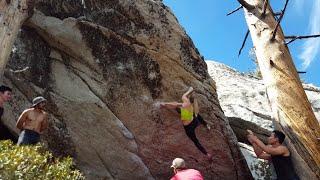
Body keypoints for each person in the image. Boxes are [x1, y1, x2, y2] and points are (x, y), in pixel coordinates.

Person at [160, 87, 212, 159]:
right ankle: (206, 125)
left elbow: (174, 103)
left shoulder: (184, 100)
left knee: (195, 140)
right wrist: (190, 90)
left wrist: (164, 104)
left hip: (189, 126)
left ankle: (206, 153)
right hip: (193, 121)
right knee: (196, 115)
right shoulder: (189, 105)